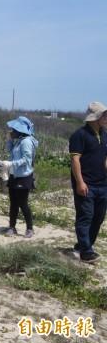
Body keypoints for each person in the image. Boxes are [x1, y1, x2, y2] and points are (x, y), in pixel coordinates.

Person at [69, 101, 107, 262]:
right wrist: (80, 182)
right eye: (104, 115)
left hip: (102, 184)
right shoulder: (79, 135)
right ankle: (85, 251)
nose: (106, 118)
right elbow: (75, 160)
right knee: (85, 215)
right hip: (86, 183)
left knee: (98, 217)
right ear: (95, 117)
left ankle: (84, 245)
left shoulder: (105, 134)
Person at [0, 116, 38, 238]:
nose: (12, 131)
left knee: (22, 203)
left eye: (13, 130)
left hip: (24, 176)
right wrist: (10, 140)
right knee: (13, 203)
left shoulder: (26, 142)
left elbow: (27, 159)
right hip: (14, 175)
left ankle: (30, 228)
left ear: (20, 131)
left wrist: (11, 164)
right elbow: (10, 151)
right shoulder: (19, 141)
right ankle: (12, 227)